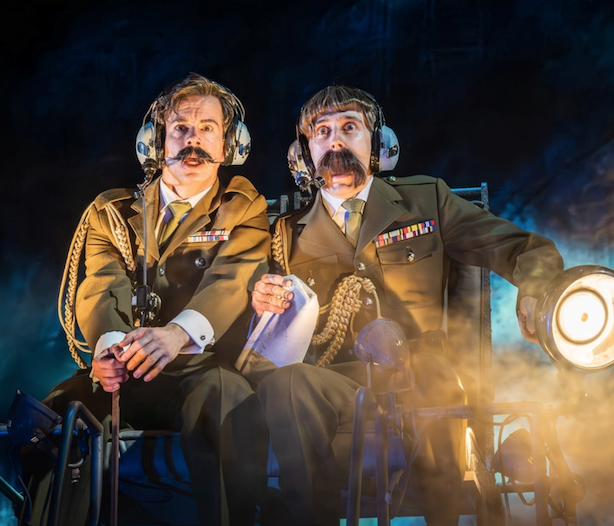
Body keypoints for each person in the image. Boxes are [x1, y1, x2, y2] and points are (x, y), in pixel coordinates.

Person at [251, 85, 565, 525]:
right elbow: (262, 334)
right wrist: (260, 301)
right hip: (338, 381)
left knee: (436, 377)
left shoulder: (426, 201)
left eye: (349, 127)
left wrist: (535, 287)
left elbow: (521, 247)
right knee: (288, 384)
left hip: (420, 370)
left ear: (379, 143)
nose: (335, 141)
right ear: (304, 153)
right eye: (322, 132)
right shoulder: (286, 235)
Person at [32, 73, 270, 526]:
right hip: (122, 367)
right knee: (48, 417)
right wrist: (109, 350)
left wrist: (176, 335)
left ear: (229, 145)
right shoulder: (110, 212)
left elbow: (231, 279)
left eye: (207, 128)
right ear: (157, 142)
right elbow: (101, 284)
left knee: (229, 402)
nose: (193, 140)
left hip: (198, 371)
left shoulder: (243, 207)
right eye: (180, 128)